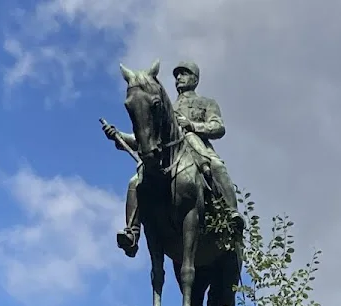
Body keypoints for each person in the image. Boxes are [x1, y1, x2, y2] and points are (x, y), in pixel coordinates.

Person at [103, 61, 242, 258]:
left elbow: (218, 127)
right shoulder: (165, 104)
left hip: (196, 145)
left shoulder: (206, 103)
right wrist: (119, 136)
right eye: (177, 75)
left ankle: (231, 213)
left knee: (217, 166)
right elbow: (148, 135)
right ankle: (132, 232)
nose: (179, 78)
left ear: (195, 79)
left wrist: (193, 125)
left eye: (184, 74)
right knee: (136, 181)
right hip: (167, 156)